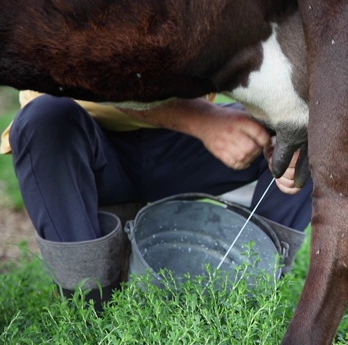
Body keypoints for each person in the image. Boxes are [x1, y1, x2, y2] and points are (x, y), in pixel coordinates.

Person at [0, 90, 313, 309]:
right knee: (43, 119)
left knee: (307, 127)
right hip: (87, 143)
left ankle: (250, 292)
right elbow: (80, 71)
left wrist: (280, 135)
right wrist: (202, 121)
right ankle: (89, 309)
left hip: (177, 148)